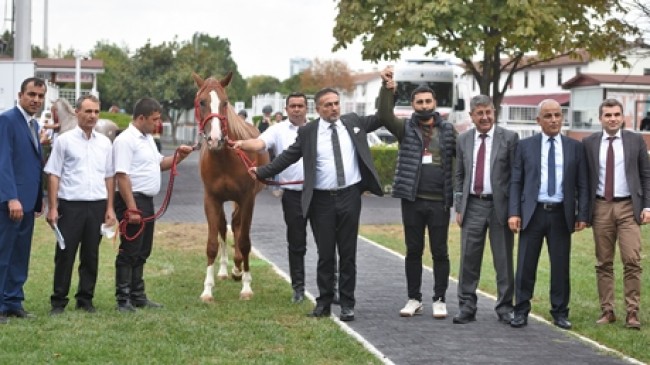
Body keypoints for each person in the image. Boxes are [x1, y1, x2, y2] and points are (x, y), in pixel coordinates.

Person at [249, 87, 384, 322]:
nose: (333, 108)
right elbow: (287, 156)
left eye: (336, 103)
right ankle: (323, 303)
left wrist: (387, 88)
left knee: (348, 253)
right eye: (328, 105)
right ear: (318, 109)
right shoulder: (309, 132)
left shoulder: (353, 122)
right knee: (325, 254)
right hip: (321, 200)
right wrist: (262, 172)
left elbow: (383, 115)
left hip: (349, 196)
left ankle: (347, 304)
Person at [379, 67, 457, 319]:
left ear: (435, 103)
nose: (424, 105)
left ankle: (440, 298)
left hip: (439, 202)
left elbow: (459, 162)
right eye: (419, 102)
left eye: (428, 101)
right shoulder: (404, 129)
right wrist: (387, 88)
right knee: (413, 250)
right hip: (412, 200)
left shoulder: (448, 131)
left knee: (440, 252)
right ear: (412, 105)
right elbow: (383, 114)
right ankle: (414, 298)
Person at [508, 99, 589, 330]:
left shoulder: (575, 147)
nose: (554, 120)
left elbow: (582, 183)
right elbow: (516, 181)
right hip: (532, 214)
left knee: (560, 266)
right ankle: (521, 311)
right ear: (538, 120)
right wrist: (514, 212)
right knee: (525, 264)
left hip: (561, 215)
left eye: (557, 115)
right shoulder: (525, 146)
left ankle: (560, 312)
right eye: (548, 116)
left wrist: (582, 214)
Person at [112, 97, 193, 312]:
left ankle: (138, 295)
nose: (157, 123)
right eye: (154, 119)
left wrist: (179, 157)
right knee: (129, 249)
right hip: (133, 200)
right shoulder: (125, 140)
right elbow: (121, 175)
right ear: (141, 118)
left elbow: (160, 164)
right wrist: (131, 208)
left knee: (142, 250)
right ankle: (123, 299)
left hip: (145, 200)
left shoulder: (147, 138)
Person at [233, 92, 309, 303]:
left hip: (319, 194)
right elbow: (259, 144)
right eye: (292, 106)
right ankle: (299, 289)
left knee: (327, 242)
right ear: (286, 110)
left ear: (306, 108)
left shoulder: (316, 128)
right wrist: (242, 144)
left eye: (300, 106)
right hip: (293, 195)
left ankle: (332, 288)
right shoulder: (277, 130)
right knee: (296, 243)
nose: (296, 109)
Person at [44, 95, 116, 315]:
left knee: (91, 255)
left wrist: (110, 208)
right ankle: (58, 301)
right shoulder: (64, 141)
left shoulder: (105, 143)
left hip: (96, 205)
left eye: (96, 111)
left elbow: (109, 177)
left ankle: (85, 299)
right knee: (65, 254)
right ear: (77, 112)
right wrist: (53, 207)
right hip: (70, 205)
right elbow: (53, 174)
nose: (92, 116)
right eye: (88, 111)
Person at [582, 98, 650, 330]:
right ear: (600, 118)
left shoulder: (635, 140)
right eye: (607, 115)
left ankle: (632, 312)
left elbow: (646, 174)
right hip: (601, 207)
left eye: (616, 114)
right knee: (604, 262)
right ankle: (607, 310)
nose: (612, 119)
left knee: (632, 260)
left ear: (623, 117)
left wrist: (647, 206)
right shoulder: (589, 143)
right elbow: (584, 180)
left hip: (629, 207)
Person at [453, 95, 519, 325]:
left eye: (489, 112)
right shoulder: (463, 140)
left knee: (503, 260)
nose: (485, 117)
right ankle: (467, 306)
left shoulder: (509, 138)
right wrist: (459, 206)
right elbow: (459, 175)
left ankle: (504, 307)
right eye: (479, 113)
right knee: (468, 259)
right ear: (471, 116)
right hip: (472, 206)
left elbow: (515, 178)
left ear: (494, 112)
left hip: (500, 207)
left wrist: (514, 211)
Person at [0, 77, 47, 324]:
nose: (36, 100)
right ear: (20, 95)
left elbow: (30, 163)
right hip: (11, 204)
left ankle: (12, 302)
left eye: (40, 96)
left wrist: (37, 200)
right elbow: (3, 162)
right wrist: (11, 198)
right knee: (3, 254)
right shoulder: (7, 120)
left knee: (20, 255)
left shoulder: (34, 125)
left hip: (28, 204)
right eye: (32, 94)